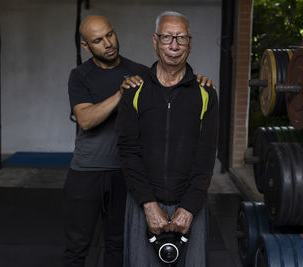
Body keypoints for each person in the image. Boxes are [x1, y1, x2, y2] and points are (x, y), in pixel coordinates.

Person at [63, 15, 214, 267]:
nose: (108, 43)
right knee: (77, 246)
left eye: (109, 34)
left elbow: (171, 93)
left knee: (117, 245)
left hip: (124, 174)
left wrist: (200, 82)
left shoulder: (141, 73)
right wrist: (121, 92)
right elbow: (86, 120)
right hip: (88, 170)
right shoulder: (80, 75)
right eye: (98, 40)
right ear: (86, 46)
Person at [116, 11, 219, 267]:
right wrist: (149, 205)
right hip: (144, 203)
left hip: (189, 205)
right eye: (166, 37)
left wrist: (190, 207)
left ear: (190, 43)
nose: (174, 45)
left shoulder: (205, 93)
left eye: (181, 38)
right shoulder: (134, 91)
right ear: (155, 41)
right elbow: (128, 151)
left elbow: (206, 156)